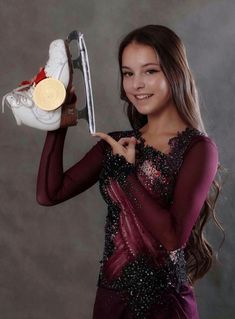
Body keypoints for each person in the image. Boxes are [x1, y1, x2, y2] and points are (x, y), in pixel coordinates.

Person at [37, 25, 224, 319]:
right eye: (128, 73)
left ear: (175, 73)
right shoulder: (118, 143)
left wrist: (126, 174)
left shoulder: (199, 149)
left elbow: (173, 238)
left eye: (149, 71)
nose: (137, 84)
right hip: (111, 304)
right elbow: (49, 193)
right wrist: (57, 124)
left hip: (165, 307)